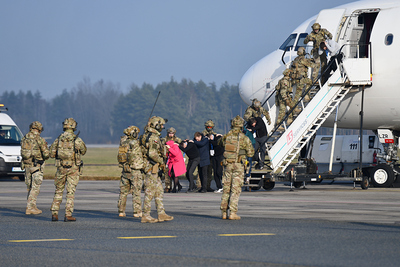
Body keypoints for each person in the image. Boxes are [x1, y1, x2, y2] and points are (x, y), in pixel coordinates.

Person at [49, 118, 87, 222]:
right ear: (74, 126)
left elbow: (51, 154)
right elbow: (83, 151)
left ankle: (54, 213)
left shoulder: (58, 139)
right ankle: (68, 214)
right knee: (70, 192)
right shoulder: (77, 139)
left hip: (61, 168)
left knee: (58, 191)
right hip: (73, 168)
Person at [219, 115, 254, 220]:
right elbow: (251, 153)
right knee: (235, 189)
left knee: (226, 189)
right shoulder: (244, 138)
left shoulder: (226, 136)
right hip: (238, 166)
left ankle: (224, 212)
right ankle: (232, 212)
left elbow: (220, 143)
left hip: (227, 165)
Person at [140, 116, 173, 223]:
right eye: (161, 125)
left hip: (154, 168)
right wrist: (161, 161)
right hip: (151, 167)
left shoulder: (149, 136)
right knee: (150, 191)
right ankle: (146, 215)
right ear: (156, 125)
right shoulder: (153, 137)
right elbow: (152, 153)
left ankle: (161, 213)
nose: (163, 127)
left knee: (159, 190)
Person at [21, 121, 50, 215]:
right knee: (35, 188)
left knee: (30, 188)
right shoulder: (39, 139)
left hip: (26, 166)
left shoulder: (25, 138)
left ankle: (33, 206)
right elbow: (46, 154)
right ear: (40, 129)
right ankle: (30, 208)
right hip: (36, 166)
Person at [117, 125, 144, 218]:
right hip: (135, 170)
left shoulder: (123, 143)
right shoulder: (136, 143)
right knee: (136, 191)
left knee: (123, 192)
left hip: (125, 170)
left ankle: (121, 210)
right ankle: (137, 212)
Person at [202, 120, 224, 193]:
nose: (209, 128)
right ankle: (205, 186)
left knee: (217, 171)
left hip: (215, 156)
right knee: (206, 172)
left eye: (210, 127)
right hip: (207, 155)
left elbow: (218, 143)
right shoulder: (203, 134)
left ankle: (220, 185)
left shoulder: (215, 135)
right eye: (208, 127)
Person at [161, 127, 182, 193]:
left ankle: (176, 185)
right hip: (166, 157)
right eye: (169, 133)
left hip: (174, 159)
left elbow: (182, 144)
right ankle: (168, 186)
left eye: (172, 133)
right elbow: (161, 146)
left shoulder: (177, 139)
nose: (170, 134)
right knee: (167, 172)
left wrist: (178, 145)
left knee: (174, 173)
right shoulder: (164, 139)